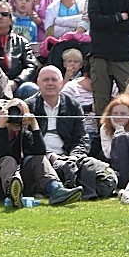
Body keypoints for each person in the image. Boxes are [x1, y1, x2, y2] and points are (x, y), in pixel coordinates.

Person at [27, 65, 109, 201]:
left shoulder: (73, 105)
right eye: (46, 80)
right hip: (41, 158)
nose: (50, 83)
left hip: (68, 157)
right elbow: (27, 142)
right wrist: (50, 156)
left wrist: (74, 157)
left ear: (61, 83)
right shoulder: (29, 106)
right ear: (38, 83)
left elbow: (82, 139)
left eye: (54, 80)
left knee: (94, 167)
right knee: (45, 164)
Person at [0, 98, 66, 205]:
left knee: (39, 159)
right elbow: (2, 155)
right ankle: (13, 194)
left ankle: (56, 189)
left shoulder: (23, 134)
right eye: (14, 112)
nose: (16, 117)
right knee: (8, 160)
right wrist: (2, 127)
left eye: (21, 114)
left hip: (16, 180)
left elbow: (40, 152)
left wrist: (34, 126)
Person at [0, 0, 37, 95]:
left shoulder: (21, 42)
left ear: (11, 19)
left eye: (5, 14)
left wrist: (16, 82)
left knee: (31, 89)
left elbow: (31, 66)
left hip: (15, 87)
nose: (0, 17)